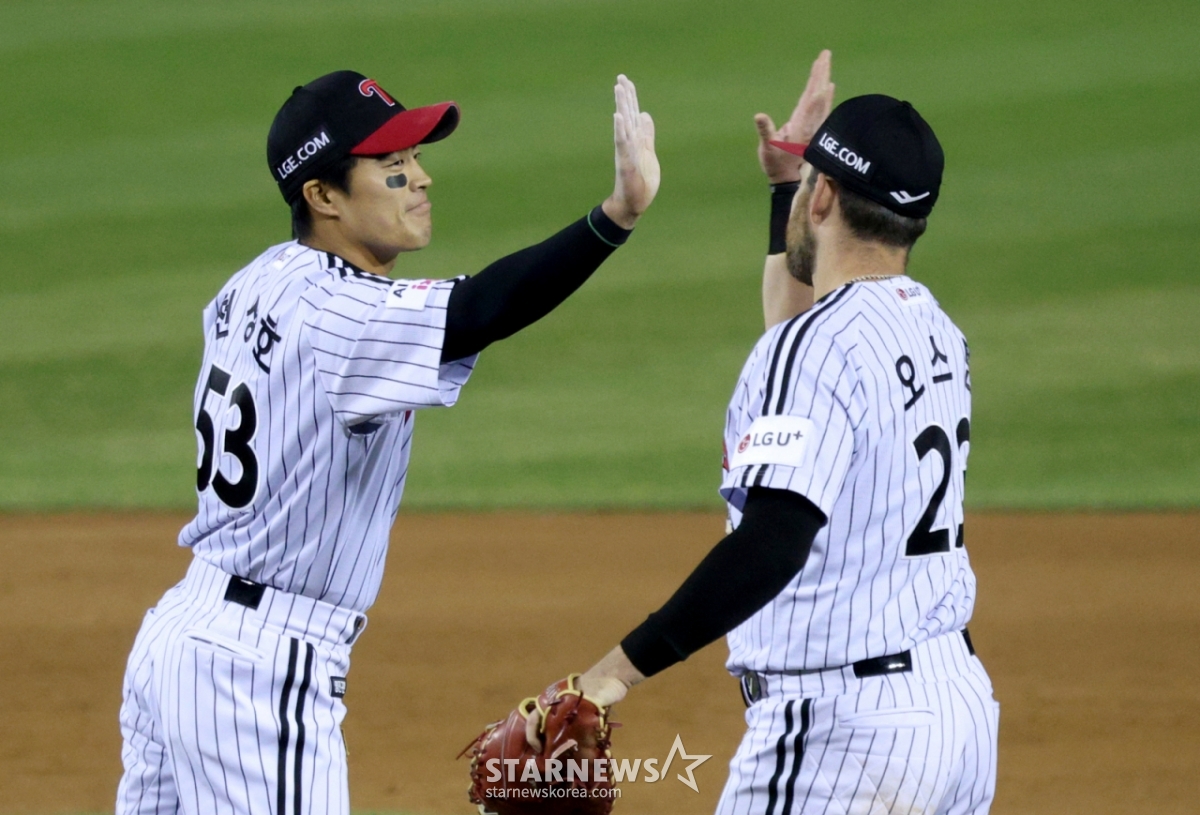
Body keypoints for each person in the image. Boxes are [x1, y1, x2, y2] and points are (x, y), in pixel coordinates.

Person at [115, 69, 659, 815]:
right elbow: (481, 309)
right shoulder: (343, 313)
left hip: (182, 635)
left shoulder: (256, 281)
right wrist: (615, 217)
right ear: (323, 195)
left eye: (416, 158)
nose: (421, 178)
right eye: (392, 166)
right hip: (255, 670)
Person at [550, 52, 999, 814]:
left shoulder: (815, 348)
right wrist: (783, 184)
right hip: (952, 713)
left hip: (842, 736)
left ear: (825, 195)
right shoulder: (933, 329)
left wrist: (613, 672)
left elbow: (773, 540)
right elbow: (800, 364)